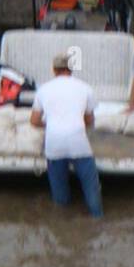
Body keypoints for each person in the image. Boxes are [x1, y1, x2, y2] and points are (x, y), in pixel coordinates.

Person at [30, 53, 101, 216]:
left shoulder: (43, 89)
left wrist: (50, 123)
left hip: (54, 145)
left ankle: (63, 226)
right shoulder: (85, 88)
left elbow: (34, 121)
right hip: (79, 143)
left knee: (60, 196)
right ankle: (97, 218)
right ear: (71, 70)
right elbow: (89, 120)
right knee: (92, 191)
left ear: (54, 70)